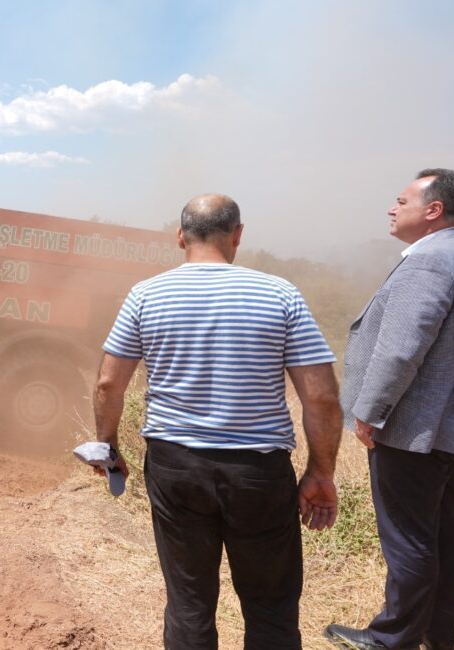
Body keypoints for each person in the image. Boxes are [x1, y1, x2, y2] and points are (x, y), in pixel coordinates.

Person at [93, 194, 343, 649]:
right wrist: (321, 471)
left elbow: (109, 385)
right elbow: (322, 397)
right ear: (238, 236)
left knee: (189, 603)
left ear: (180, 237)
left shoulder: (146, 294)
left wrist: (108, 446)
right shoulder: (279, 294)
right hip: (258, 475)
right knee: (270, 607)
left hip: (175, 470)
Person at [326, 169, 454, 650]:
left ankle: (391, 638)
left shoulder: (428, 263)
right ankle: (438, 636)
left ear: (433, 211)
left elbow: (399, 350)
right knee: (446, 528)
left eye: (401, 201)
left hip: (419, 427)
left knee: (409, 537)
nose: (392, 209)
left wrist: (371, 411)